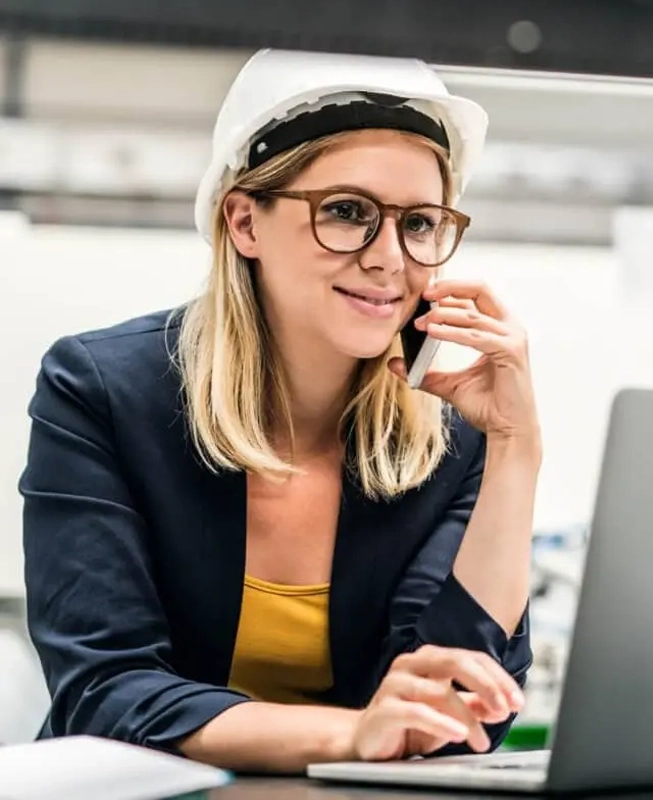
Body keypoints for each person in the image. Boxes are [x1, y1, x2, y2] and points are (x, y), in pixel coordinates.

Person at [19, 48, 541, 773]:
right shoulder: (103, 391)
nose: (390, 257)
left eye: (419, 223)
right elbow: (106, 693)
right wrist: (349, 737)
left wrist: (517, 446)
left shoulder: (450, 434)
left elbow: (456, 706)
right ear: (244, 222)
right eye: (348, 212)